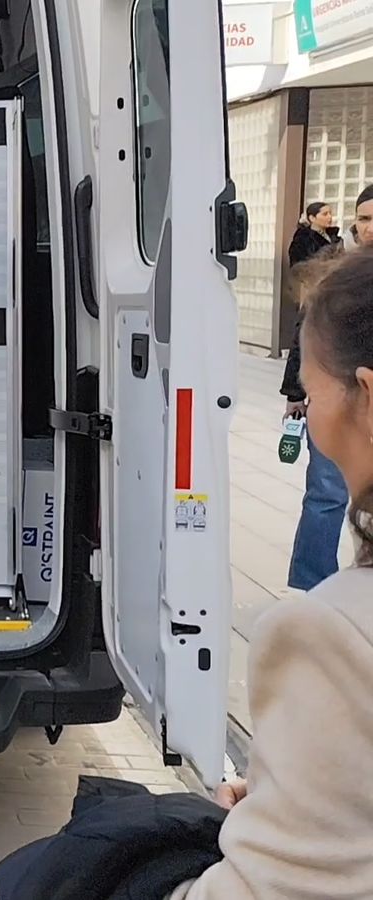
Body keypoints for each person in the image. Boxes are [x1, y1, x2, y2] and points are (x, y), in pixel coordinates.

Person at [169, 248, 373, 899]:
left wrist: (270, 826)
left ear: (365, 395)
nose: (306, 416)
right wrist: (297, 792)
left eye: (310, 394)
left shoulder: (331, 633)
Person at [280, 192, 371, 590]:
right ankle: (310, 584)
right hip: (338, 397)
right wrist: (295, 393)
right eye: (364, 218)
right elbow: (306, 335)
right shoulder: (334, 267)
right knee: (326, 495)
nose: (369, 227)